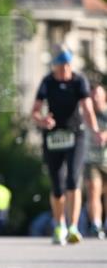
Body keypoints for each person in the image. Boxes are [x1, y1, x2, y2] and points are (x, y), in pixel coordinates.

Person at [31, 47, 105, 245]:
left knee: (73, 179)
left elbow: (87, 109)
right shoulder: (47, 82)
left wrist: (95, 130)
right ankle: (59, 225)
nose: (65, 69)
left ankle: (73, 227)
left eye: (67, 65)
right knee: (57, 185)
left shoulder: (79, 81)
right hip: (53, 136)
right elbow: (35, 111)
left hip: (76, 135)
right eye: (61, 66)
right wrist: (42, 120)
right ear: (54, 66)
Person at [83, 81, 107, 239]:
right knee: (93, 190)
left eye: (98, 95)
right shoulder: (85, 112)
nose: (95, 98)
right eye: (92, 95)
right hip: (91, 160)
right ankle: (96, 225)